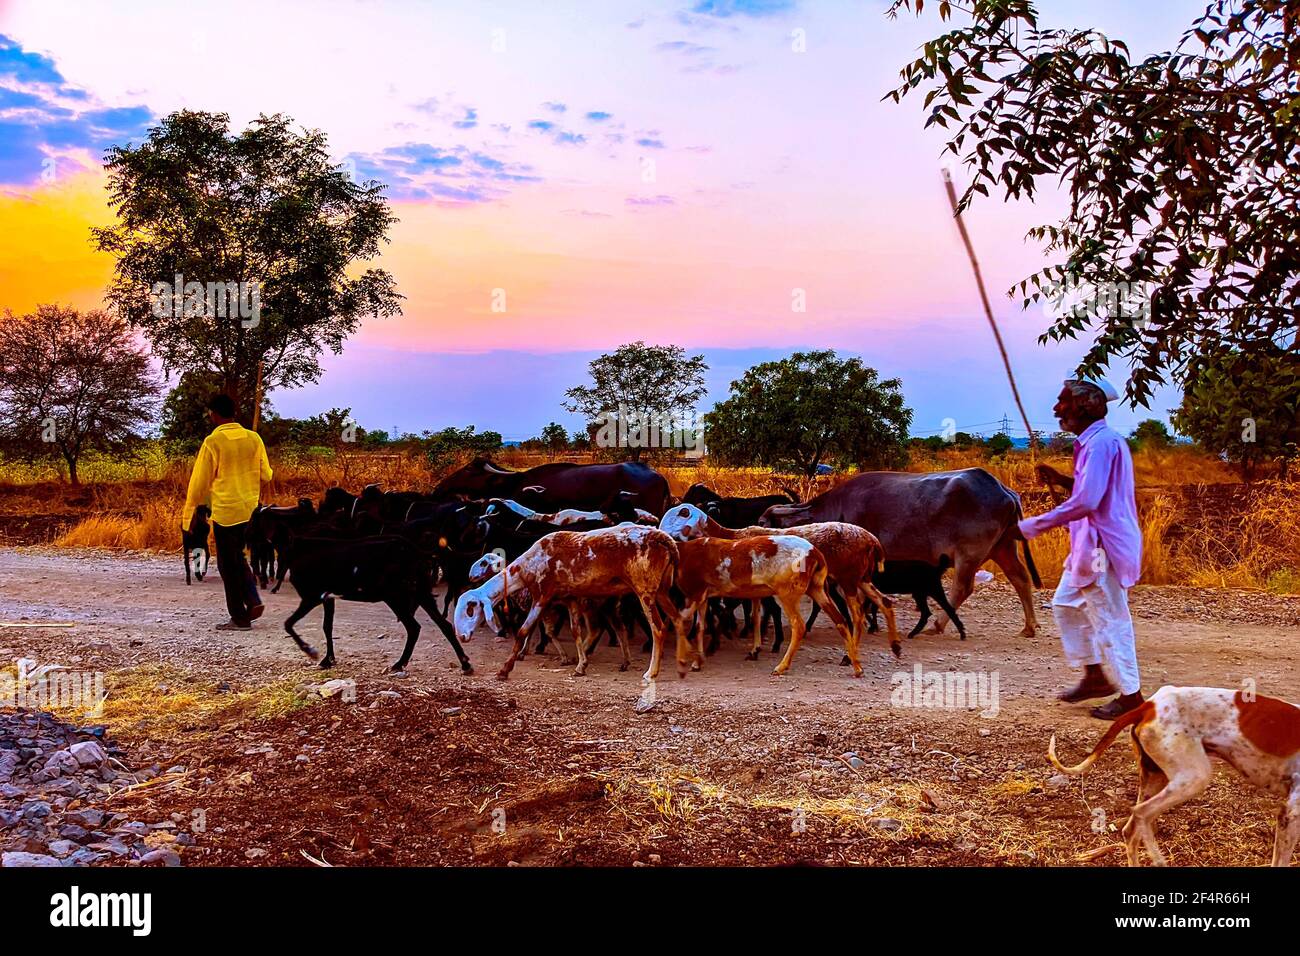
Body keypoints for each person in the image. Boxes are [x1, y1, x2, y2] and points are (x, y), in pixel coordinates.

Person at [1019, 377, 1144, 719]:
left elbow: (1088, 500)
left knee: (1110, 619)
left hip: (1101, 546)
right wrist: (1060, 480)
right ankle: (1093, 677)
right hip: (1089, 545)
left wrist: (1035, 525)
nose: (1057, 408)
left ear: (1087, 405)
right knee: (1066, 605)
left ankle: (1132, 697)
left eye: (1064, 401)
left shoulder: (1101, 444)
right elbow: (1091, 489)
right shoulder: (1096, 443)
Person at [182, 393, 272, 631]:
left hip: (225, 512)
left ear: (214, 414)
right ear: (234, 412)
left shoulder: (213, 442)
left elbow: (200, 482)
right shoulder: (254, 439)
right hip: (250, 510)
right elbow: (266, 475)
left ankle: (240, 618)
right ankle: (252, 600)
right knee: (239, 558)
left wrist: (191, 509)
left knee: (227, 565)